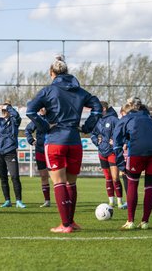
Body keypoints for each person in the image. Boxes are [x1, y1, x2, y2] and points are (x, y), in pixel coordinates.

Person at [26, 54, 102, 233]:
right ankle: (71, 221)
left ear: (51, 73)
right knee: (72, 183)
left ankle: (65, 225)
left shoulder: (48, 91)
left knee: (59, 183)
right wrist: (87, 126)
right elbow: (98, 107)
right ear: (67, 72)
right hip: (75, 140)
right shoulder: (79, 91)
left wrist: (45, 126)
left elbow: (30, 110)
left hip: (55, 140)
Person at [113, 98, 152, 230]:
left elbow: (116, 143)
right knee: (150, 186)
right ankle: (145, 222)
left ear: (126, 111)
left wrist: (121, 164)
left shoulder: (126, 118)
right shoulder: (149, 117)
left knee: (132, 184)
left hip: (137, 151)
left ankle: (130, 221)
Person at [91, 101, 125, 209]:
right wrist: (97, 140)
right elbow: (93, 134)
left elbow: (122, 132)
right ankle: (111, 201)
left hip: (112, 152)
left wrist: (115, 141)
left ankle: (119, 201)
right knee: (108, 178)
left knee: (115, 177)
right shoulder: (97, 120)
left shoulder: (114, 119)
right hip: (102, 152)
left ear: (104, 108)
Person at [25, 107, 51, 207]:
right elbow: (27, 130)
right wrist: (31, 140)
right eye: (40, 107)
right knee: (44, 176)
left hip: (52, 150)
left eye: (44, 107)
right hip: (40, 150)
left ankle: (63, 199)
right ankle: (47, 200)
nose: (42, 109)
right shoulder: (36, 119)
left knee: (57, 176)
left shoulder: (53, 117)